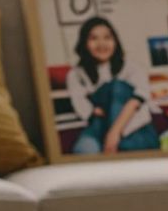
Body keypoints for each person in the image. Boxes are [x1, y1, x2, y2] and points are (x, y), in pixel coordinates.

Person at [65, 17, 160, 155]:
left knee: (117, 86)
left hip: (133, 125)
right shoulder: (75, 74)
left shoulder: (133, 68)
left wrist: (114, 133)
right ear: (84, 43)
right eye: (94, 38)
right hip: (99, 125)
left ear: (115, 41)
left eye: (107, 37)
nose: (101, 44)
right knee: (84, 150)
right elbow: (79, 101)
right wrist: (94, 112)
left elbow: (138, 99)